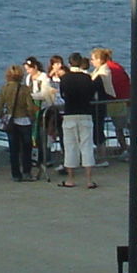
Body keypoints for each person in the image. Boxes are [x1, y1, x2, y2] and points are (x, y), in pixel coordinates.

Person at [57, 53, 99, 189]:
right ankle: (89, 180)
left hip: (70, 114)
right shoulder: (87, 78)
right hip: (85, 113)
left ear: (69, 64)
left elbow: (63, 95)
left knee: (70, 147)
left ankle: (70, 179)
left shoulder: (65, 79)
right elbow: (92, 95)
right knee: (86, 146)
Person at [0, 64, 36, 182]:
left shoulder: (4, 89)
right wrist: (32, 117)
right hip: (24, 121)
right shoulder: (25, 89)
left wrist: (3, 117)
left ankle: (16, 174)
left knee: (14, 149)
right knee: (26, 148)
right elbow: (30, 107)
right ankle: (27, 172)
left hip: (11, 122)